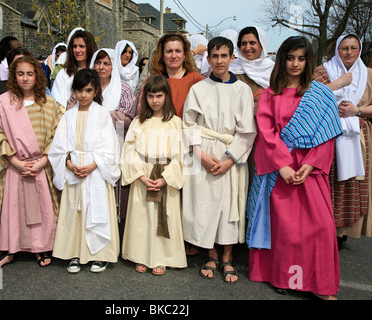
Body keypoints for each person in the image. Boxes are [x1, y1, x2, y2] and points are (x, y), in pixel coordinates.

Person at [246, 36, 342, 299]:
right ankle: (285, 279)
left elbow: (327, 134)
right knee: (286, 231)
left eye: (301, 58)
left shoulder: (320, 94)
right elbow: (266, 134)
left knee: (320, 228)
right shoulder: (270, 94)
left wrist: (311, 164)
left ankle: (319, 284)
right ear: (282, 60)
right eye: (290, 58)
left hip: (309, 169)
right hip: (280, 172)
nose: (295, 63)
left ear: (308, 60)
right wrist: (282, 166)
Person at [182, 37, 256, 283]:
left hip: (229, 154)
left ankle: (227, 256)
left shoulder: (242, 90)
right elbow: (189, 124)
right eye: (214, 56)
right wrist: (200, 155)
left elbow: (247, 132)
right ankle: (210, 253)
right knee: (204, 203)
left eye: (224, 56)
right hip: (203, 150)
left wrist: (230, 160)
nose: (219, 61)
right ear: (208, 59)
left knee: (228, 206)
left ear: (232, 58)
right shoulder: (198, 89)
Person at [0, 55, 64, 272]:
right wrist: (15, 162)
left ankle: (41, 247)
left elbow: (58, 136)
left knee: (42, 208)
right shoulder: (4, 103)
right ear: (13, 76)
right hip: (16, 167)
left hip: (40, 166)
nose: (25, 78)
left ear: (38, 76)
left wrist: (43, 161)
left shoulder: (50, 105)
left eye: (30, 74)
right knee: (15, 208)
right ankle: (11, 249)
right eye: (20, 74)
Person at [49, 68, 121, 273]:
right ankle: (75, 253)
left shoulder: (102, 115)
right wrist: (69, 163)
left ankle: (99, 254)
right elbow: (58, 148)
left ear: (96, 91)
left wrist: (92, 165)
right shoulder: (68, 116)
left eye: (88, 90)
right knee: (75, 212)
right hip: (74, 170)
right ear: (73, 91)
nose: (83, 95)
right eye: (79, 90)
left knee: (96, 212)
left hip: (95, 171)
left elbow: (110, 147)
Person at [121, 75, 186, 275]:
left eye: (159, 95)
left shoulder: (175, 122)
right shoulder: (139, 122)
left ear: (166, 96)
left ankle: (161, 257)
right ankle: (140, 255)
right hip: (143, 174)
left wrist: (166, 178)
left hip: (165, 176)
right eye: (150, 96)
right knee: (142, 218)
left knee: (162, 215)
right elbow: (129, 150)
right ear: (145, 98)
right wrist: (140, 175)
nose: (155, 100)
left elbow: (181, 153)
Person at [314, 34, 372, 242]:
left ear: (359, 50)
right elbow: (309, 97)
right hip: (328, 136)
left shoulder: (368, 75)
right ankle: (325, 228)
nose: (348, 53)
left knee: (351, 185)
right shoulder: (323, 71)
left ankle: (344, 232)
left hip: (358, 138)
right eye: (344, 48)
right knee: (328, 184)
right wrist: (337, 85)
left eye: (353, 48)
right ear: (337, 50)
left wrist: (358, 110)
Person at [89, 49, 137, 229]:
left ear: (113, 65)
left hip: (115, 141)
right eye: (98, 63)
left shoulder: (123, 88)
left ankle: (115, 221)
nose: (101, 67)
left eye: (106, 63)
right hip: (89, 142)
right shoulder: (86, 84)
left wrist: (107, 117)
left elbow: (127, 120)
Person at [137, 33, 204, 119]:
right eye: (169, 51)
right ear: (162, 56)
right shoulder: (152, 81)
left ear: (184, 55)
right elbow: (142, 113)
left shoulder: (197, 80)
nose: (174, 56)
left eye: (178, 51)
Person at [231, 26, 275, 114]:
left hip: (264, 120)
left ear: (261, 45)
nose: (247, 48)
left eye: (252, 43)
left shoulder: (272, 70)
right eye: (244, 43)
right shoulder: (232, 68)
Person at [51, 28, 97, 108]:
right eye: (75, 46)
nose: (77, 50)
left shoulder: (97, 72)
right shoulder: (64, 73)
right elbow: (58, 101)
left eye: (81, 46)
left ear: (89, 48)